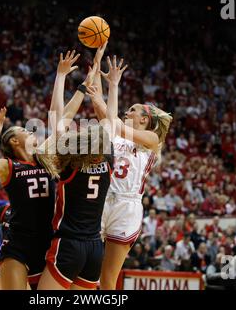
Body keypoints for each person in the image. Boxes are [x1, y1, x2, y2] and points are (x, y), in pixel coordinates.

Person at [88, 44, 173, 289]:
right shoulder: (115, 133)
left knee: (108, 279)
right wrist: (97, 60)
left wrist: (107, 92)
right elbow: (99, 104)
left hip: (128, 206)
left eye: (133, 110)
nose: (127, 111)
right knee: (86, 269)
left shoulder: (152, 140)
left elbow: (111, 117)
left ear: (145, 119)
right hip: (101, 199)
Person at [36, 51, 112, 290]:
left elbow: (57, 118)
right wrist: (98, 67)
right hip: (94, 248)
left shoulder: (71, 164)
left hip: (69, 245)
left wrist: (61, 77)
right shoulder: (109, 161)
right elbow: (107, 118)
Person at [0, 107, 55, 290]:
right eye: (24, 130)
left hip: (46, 241)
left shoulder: (45, 158)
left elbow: (65, 114)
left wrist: (77, 87)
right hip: (18, 242)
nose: (30, 131)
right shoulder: (8, 166)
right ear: (15, 141)